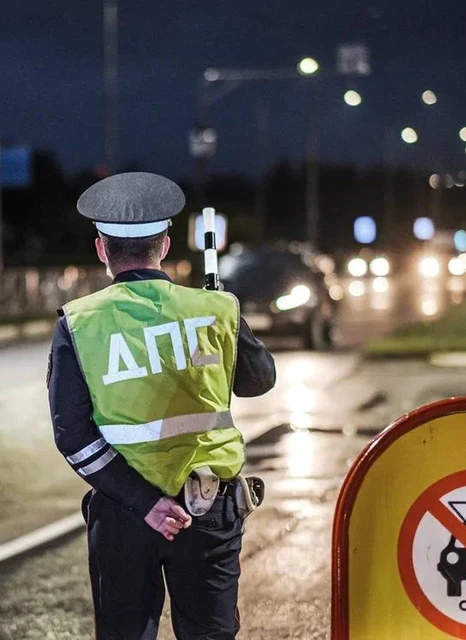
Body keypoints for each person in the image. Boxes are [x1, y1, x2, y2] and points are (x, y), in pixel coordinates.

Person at [47, 172, 276, 639]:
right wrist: (226, 317)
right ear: (166, 245)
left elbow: (72, 434)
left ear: (102, 250)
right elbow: (259, 380)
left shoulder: (80, 322)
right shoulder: (214, 309)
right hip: (208, 507)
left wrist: (145, 503)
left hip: (125, 515)